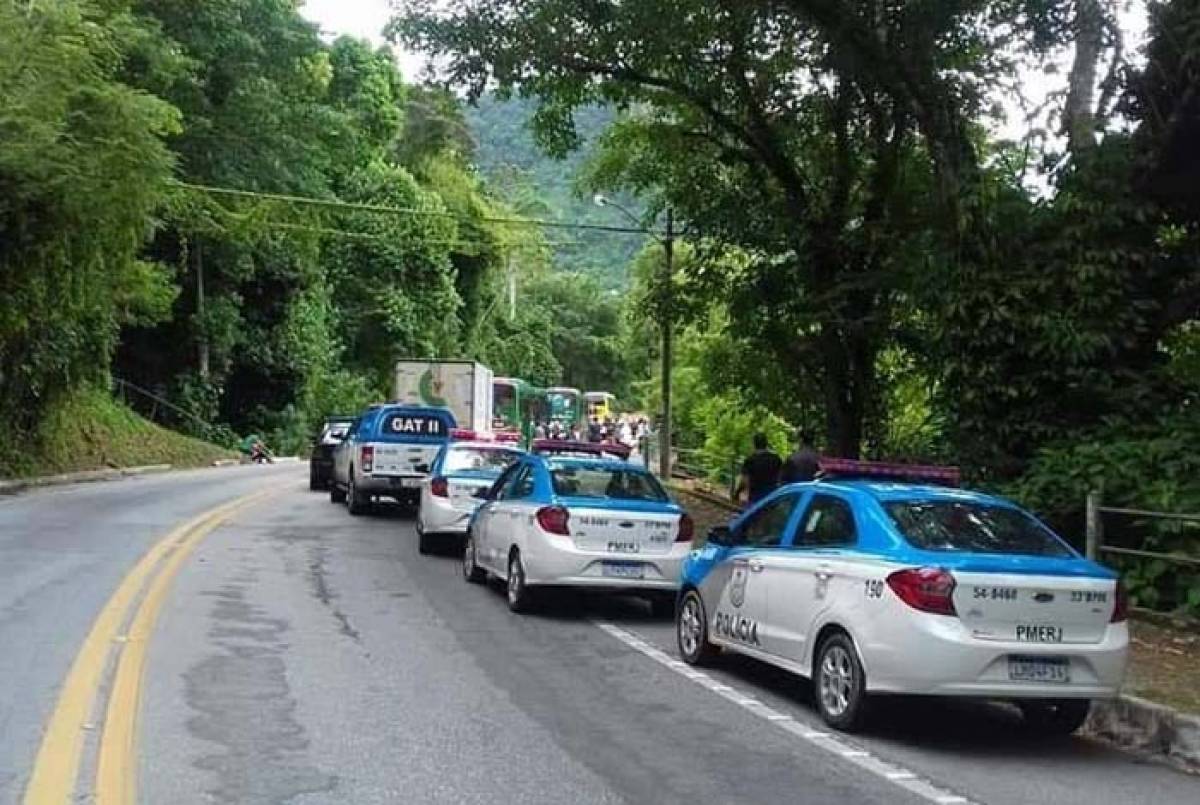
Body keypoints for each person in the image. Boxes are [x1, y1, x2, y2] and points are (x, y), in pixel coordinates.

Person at [733, 433, 782, 506]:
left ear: (754, 444)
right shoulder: (776, 459)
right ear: (766, 443)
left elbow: (744, 480)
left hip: (755, 497)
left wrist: (737, 493)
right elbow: (780, 478)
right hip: (771, 496)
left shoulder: (750, 460)